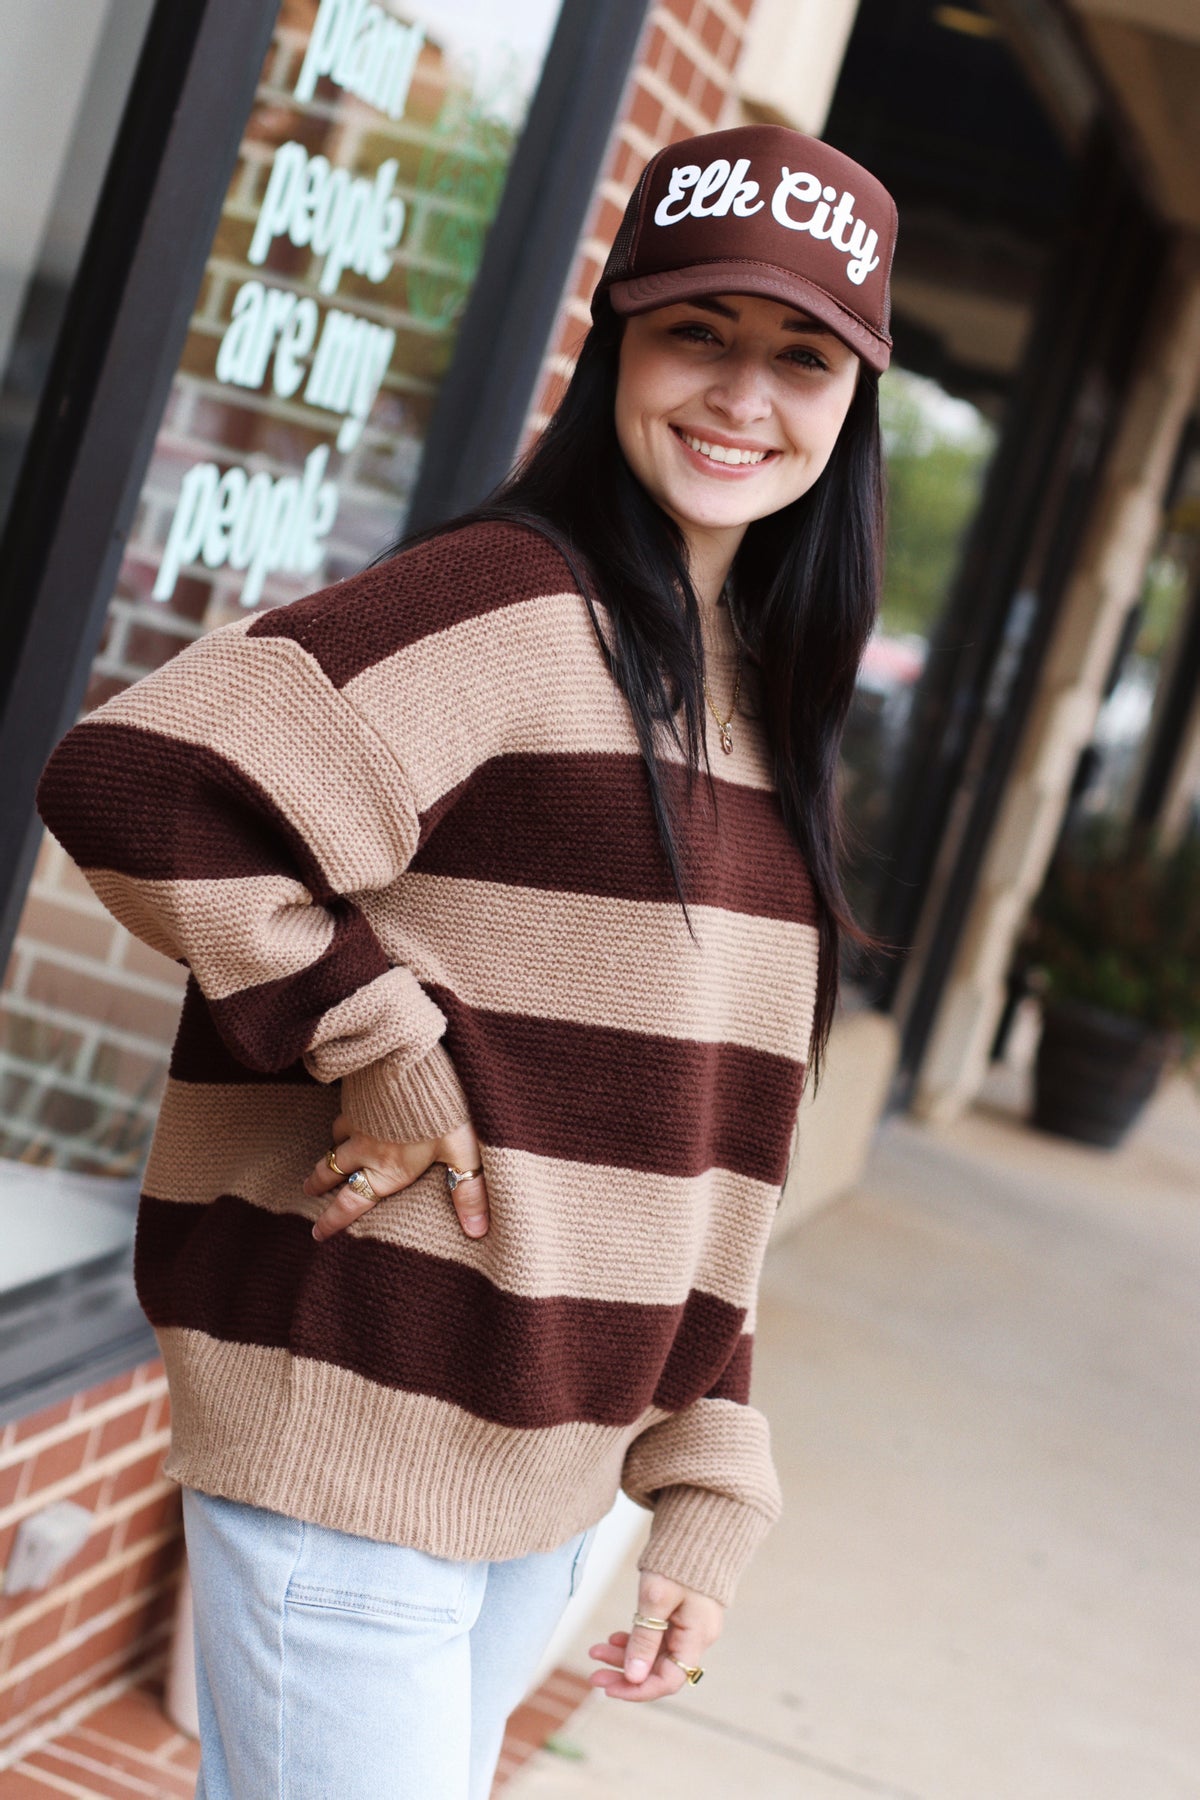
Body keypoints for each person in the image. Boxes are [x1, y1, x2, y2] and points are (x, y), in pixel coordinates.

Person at [36, 122, 897, 1800]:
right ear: (616, 344)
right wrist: (373, 1031)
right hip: (356, 1416)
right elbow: (136, 780)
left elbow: (706, 1137)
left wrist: (709, 1468)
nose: (743, 395)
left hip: (540, 1477)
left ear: (854, 403)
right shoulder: (511, 605)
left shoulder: (764, 702)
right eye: (698, 332)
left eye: (803, 358)